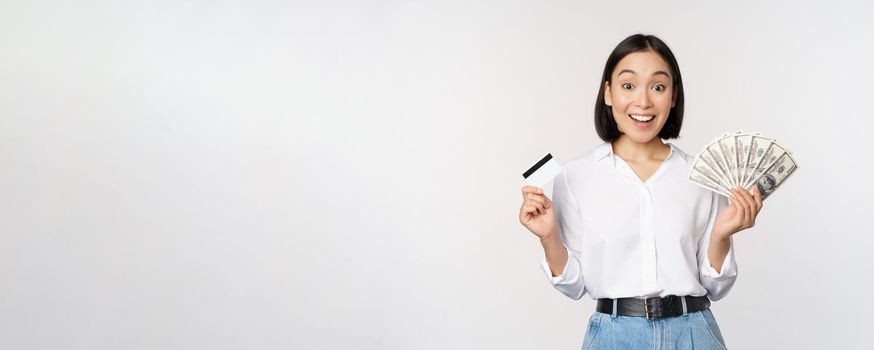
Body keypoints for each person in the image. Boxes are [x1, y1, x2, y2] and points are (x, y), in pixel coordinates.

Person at [518, 34, 763, 350]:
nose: (643, 102)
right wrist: (548, 236)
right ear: (608, 93)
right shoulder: (576, 175)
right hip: (614, 336)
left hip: (693, 334)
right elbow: (575, 285)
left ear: (673, 96)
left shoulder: (702, 175)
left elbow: (715, 287)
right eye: (628, 85)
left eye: (658, 87)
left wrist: (721, 235)